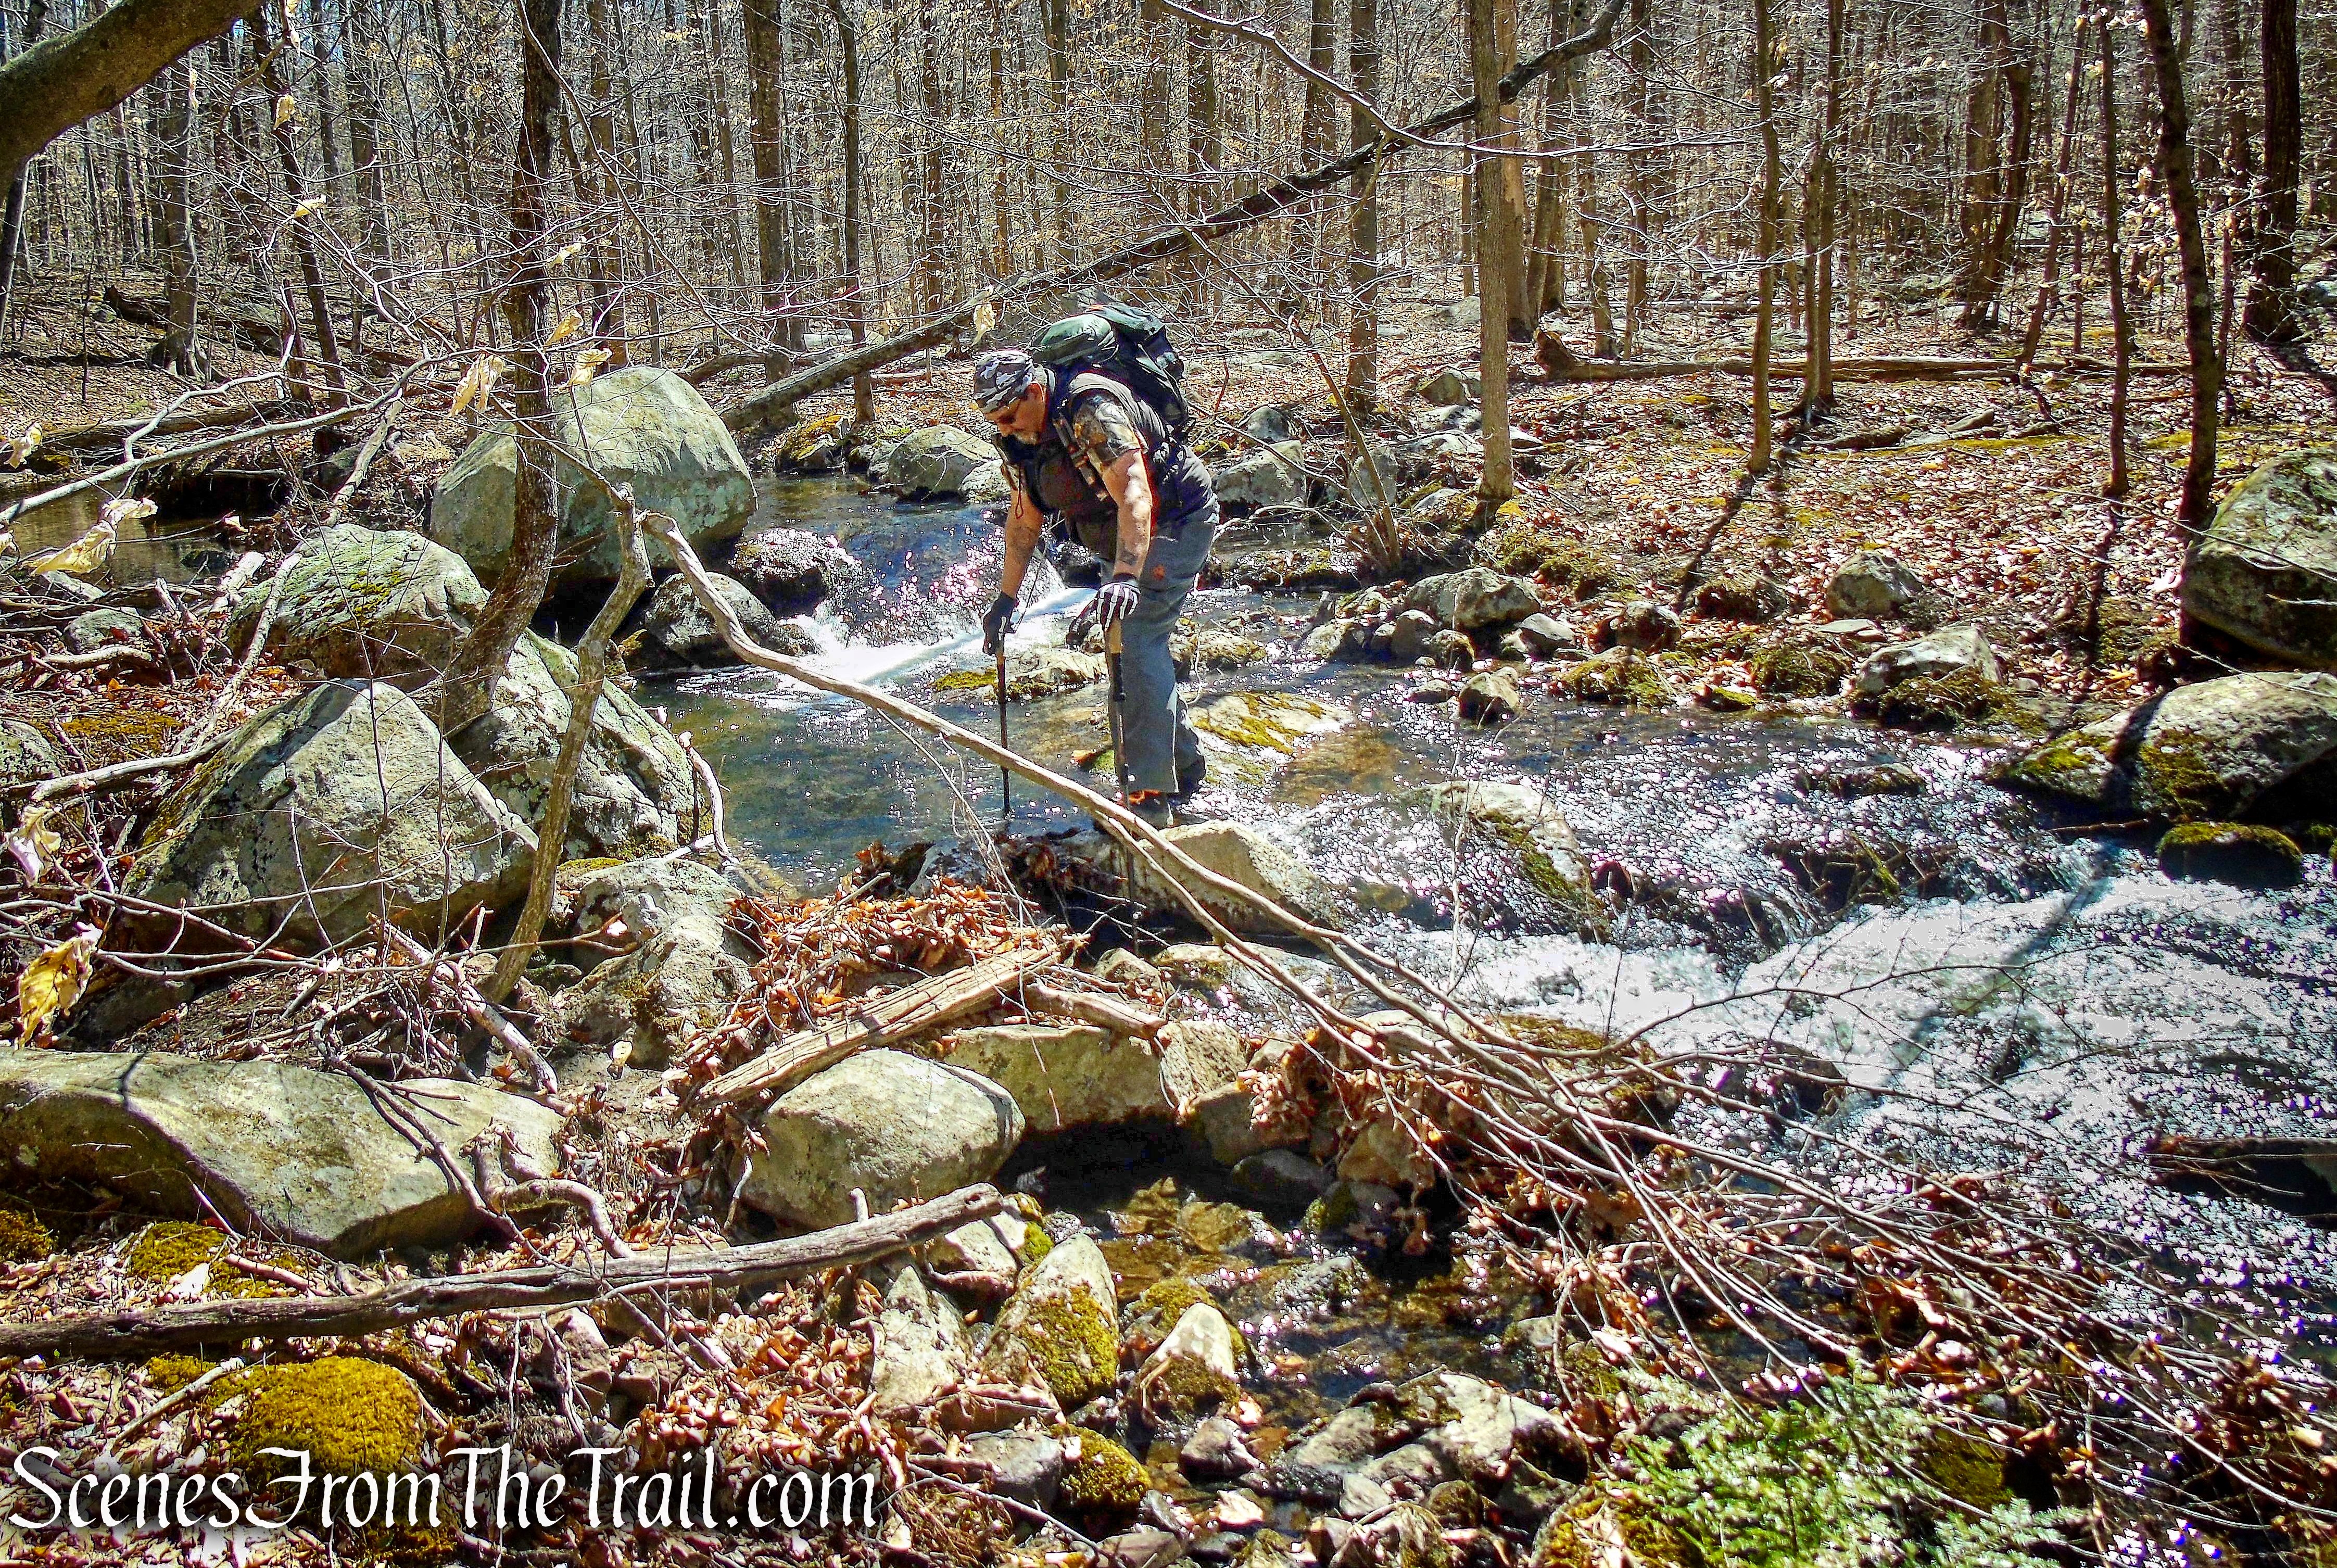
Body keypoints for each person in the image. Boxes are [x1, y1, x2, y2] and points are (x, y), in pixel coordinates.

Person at [972, 346, 1218, 829]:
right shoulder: (1018, 441)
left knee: (1134, 641)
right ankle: (1184, 767)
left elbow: (1135, 493)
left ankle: (1147, 797)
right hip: (1116, 533)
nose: (1003, 429)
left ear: (1035, 392)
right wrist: (1005, 599)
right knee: (1126, 648)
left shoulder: (1091, 409)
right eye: (993, 421)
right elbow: (1024, 518)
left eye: (1007, 416)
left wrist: (1125, 578)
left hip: (1173, 519)